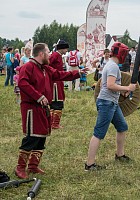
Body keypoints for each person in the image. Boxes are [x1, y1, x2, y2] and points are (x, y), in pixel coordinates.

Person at [15, 43, 87, 179]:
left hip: (43, 108)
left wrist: (77, 73)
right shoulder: (28, 67)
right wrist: (38, 96)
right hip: (31, 108)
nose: (50, 55)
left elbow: (59, 74)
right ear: (41, 54)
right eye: (48, 52)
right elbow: (22, 83)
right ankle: (20, 167)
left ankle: (33, 166)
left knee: (42, 136)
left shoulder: (45, 68)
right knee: (31, 137)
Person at [85, 42, 136, 171]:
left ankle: (120, 155)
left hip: (111, 102)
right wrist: (127, 87)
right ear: (122, 54)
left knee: (122, 127)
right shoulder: (113, 66)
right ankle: (89, 164)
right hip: (107, 103)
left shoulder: (111, 65)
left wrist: (122, 92)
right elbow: (110, 85)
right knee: (99, 133)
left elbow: (108, 85)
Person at [49, 40, 70, 129]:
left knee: (55, 103)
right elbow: (47, 65)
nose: (66, 51)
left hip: (58, 81)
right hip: (55, 83)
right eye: (65, 49)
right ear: (62, 48)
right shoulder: (55, 55)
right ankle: (54, 124)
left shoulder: (58, 55)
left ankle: (51, 123)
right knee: (57, 103)